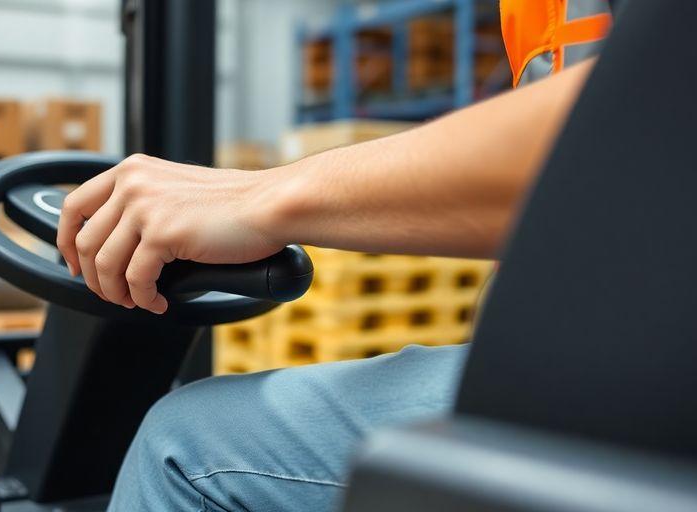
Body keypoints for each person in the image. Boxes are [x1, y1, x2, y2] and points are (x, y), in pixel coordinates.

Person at [56, 1, 615, 510]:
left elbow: (640, 123)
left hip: (634, 379)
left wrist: (260, 198)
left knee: (182, 447)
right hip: (588, 340)